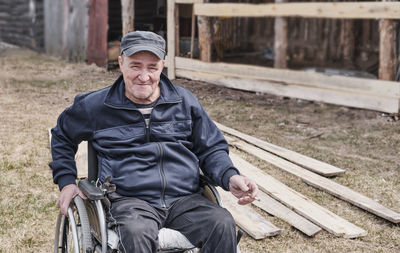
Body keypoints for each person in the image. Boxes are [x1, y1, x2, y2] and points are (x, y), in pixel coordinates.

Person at [50, 31, 259, 252]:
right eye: (135, 66)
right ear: (121, 63)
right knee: (135, 232)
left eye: (152, 67)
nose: (144, 76)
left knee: (222, 222)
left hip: (185, 199)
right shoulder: (96, 106)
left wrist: (230, 176)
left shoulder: (184, 102)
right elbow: (62, 135)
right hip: (129, 201)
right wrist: (67, 182)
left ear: (162, 66)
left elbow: (211, 148)